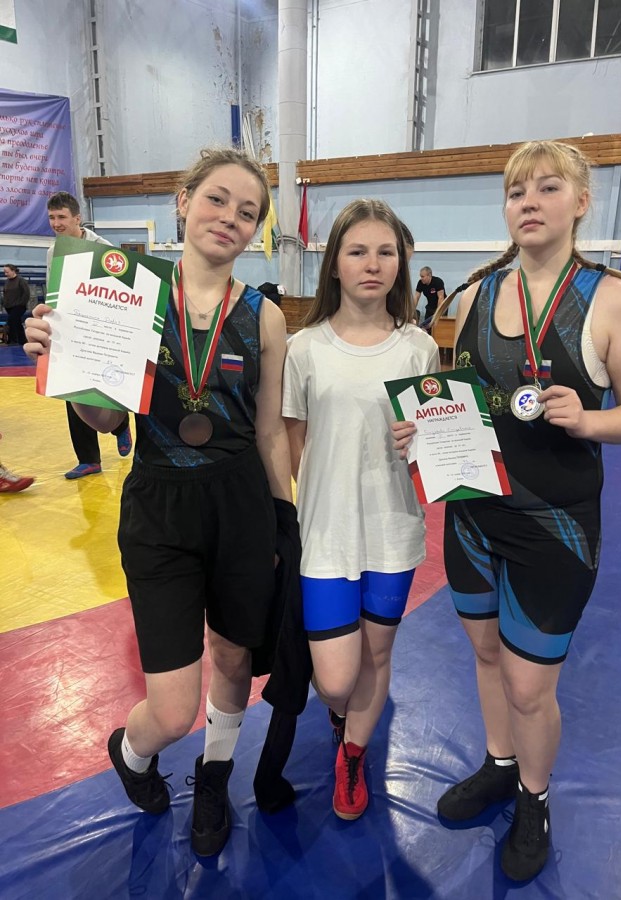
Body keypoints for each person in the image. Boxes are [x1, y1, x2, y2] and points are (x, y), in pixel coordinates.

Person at [395, 140, 621, 881]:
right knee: (485, 655)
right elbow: (465, 403)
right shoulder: (477, 295)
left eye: (548, 188)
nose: (529, 202)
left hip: (556, 527)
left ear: (581, 202)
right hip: (474, 517)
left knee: (528, 684)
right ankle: (499, 762)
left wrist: (589, 419)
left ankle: (534, 797)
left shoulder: (614, 299)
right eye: (517, 191)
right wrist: (423, 429)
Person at [26, 148, 293, 857]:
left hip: (240, 504)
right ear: (183, 201)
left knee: (234, 660)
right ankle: (131, 751)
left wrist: (283, 519)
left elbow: (270, 431)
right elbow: (107, 419)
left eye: (247, 212)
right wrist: (66, 363)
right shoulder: (131, 294)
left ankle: (215, 776)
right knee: (173, 710)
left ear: (256, 229)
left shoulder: (264, 317)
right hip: (159, 507)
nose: (229, 218)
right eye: (216, 199)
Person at [283, 199, 440, 821]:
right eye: (357, 251)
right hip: (325, 535)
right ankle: (341, 714)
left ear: (400, 263)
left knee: (377, 655)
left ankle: (352, 754)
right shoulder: (303, 348)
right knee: (335, 680)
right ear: (335, 264)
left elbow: (438, 440)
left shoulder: (418, 347)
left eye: (385, 252)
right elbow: (293, 445)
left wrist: (424, 441)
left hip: (392, 531)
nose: (372, 264)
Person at [46, 191, 133, 478]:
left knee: (106, 385)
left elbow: (120, 292)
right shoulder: (53, 252)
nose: (56, 223)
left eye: (61, 217)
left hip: (101, 329)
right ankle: (89, 459)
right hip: (69, 330)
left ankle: (120, 426)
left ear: (77, 218)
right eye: (51, 217)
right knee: (73, 391)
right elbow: (54, 291)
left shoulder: (103, 249)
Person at [2, 265, 30, 346]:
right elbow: (5, 293)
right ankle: (22, 340)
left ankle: (13, 341)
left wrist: (21, 303)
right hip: (9, 307)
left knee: (11, 321)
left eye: (7, 272)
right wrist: (4, 303)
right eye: (5, 272)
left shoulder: (21, 280)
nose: (5, 274)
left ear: (13, 271)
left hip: (19, 306)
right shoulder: (7, 282)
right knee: (17, 323)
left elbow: (26, 293)